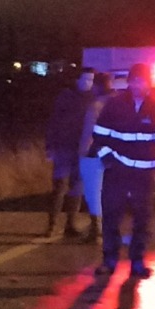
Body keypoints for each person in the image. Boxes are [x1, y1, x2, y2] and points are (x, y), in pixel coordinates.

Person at [91, 62, 155, 277]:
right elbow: (99, 136)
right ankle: (109, 260)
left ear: (149, 83)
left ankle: (137, 261)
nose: (138, 84)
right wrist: (108, 159)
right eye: (135, 80)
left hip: (144, 175)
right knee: (111, 216)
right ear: (129, 81)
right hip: (117, 171)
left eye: (142, 80)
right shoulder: (114, 105)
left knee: (142, 219)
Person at [43, 68, 97, 237]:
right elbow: (54, 122)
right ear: (77, 80)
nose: (88, 82)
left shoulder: (92, 99)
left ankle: (70, 225)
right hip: (63, 148)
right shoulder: (65, 97)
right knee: (59, 187)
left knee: (76, 188)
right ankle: (51, 225)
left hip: (82, 150)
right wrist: (50, 147)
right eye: (86, 79)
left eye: (91, 80)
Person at [78, 72, 113, 243]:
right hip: (112, 154)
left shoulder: (96, 105)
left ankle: (96, 230)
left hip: (93, 153)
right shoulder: (117, 103)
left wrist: (87, 151)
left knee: (93, 193)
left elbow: (91, 133)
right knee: (106, 194)